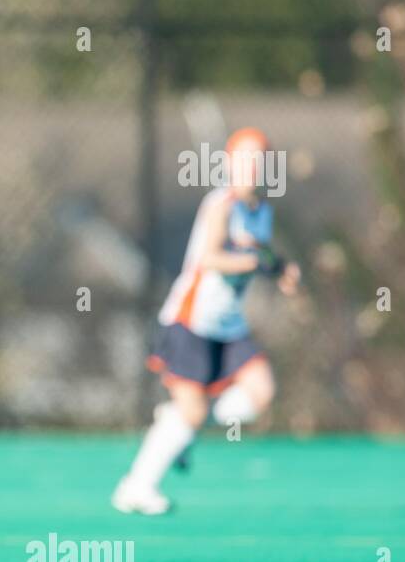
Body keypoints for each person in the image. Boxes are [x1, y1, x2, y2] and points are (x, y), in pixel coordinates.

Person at [113, 127, 300, 515]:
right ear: (230, 164)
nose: (252, 167)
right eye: (245, 159)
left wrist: (281, 269)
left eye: (260, 160)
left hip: (229, 326)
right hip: (191, 321)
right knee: (193, 411)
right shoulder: (221, 205)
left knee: (261, 392)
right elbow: (211, 258)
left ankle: (178, 423)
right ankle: (136, 486)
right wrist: (253, 262)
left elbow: (261, 253)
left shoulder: (262, 211)